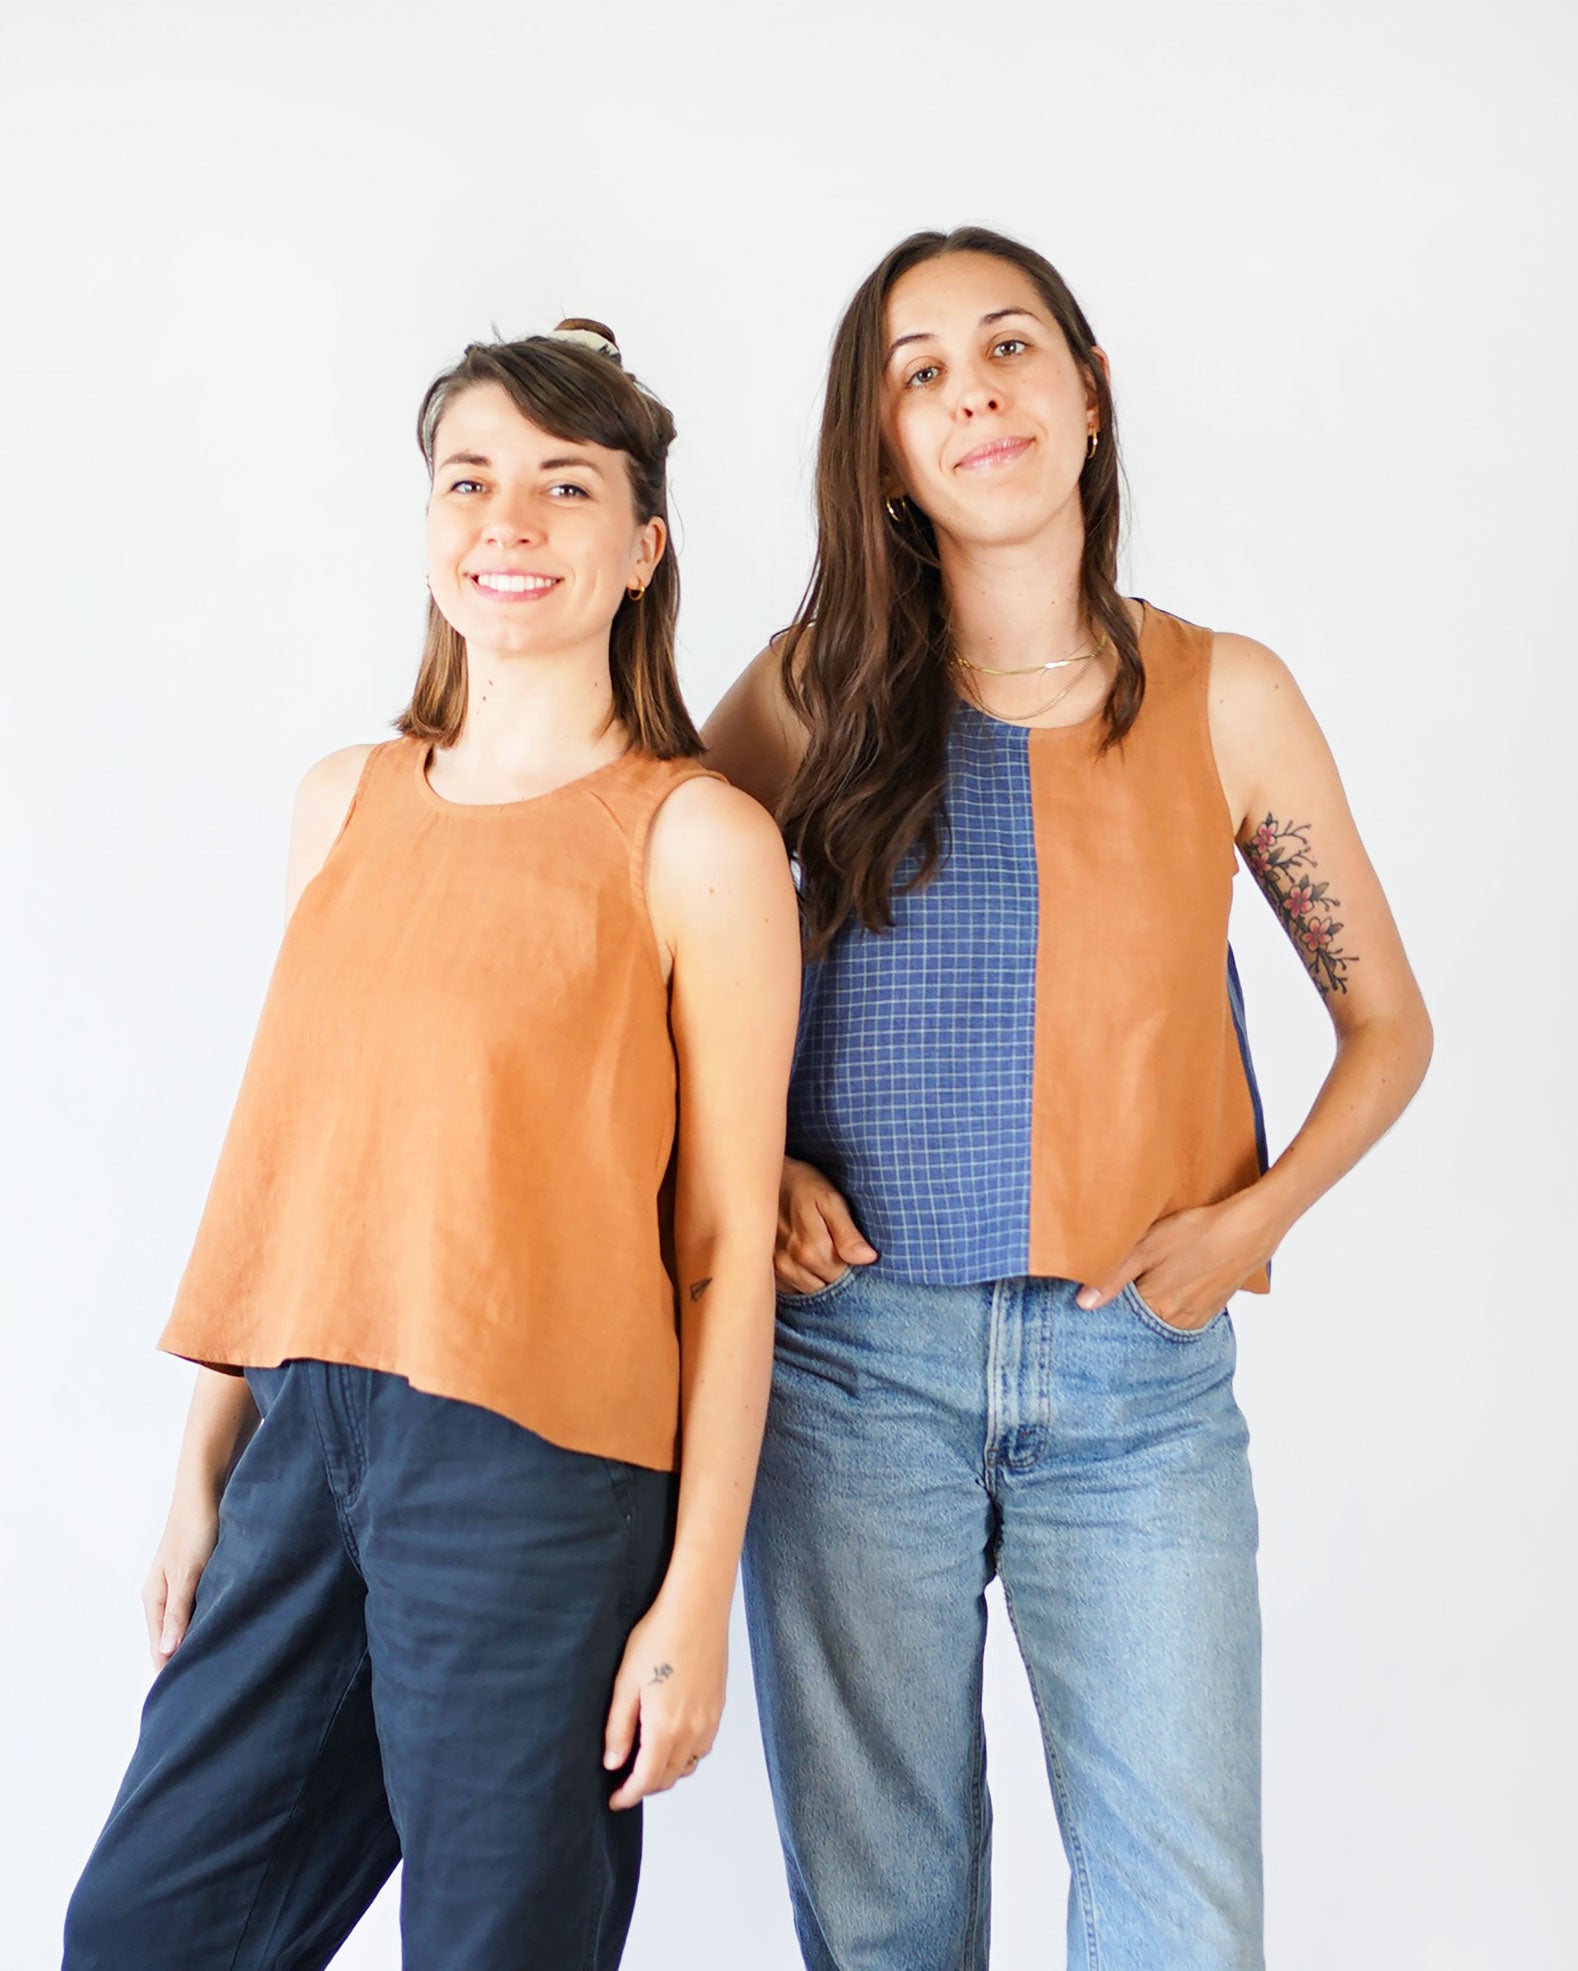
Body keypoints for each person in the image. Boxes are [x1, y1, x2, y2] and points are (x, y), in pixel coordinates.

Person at [703, 230, 1433, 1971]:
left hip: (1138, 1386)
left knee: (1182, 1919)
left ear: (1087, 393)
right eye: (921, 375)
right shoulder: (806, 694)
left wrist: (1250, 1224)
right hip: (853, 1370)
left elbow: (1387, 1027)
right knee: (882, 1919)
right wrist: (755, 1169)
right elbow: (640, 957)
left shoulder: (1226, 693)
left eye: (1009, 348)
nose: (975, 395)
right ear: (885, 449)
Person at [64, 321, 800, 1970]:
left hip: (533, 1472)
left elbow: (725, 1252)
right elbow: (290, 1162)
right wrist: (202, 1466)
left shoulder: (696, 840)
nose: (507, 522)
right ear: (428, 528)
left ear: (642, 547)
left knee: (493, 1944)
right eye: (468, 481)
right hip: (301, 1431)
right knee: (142, 1929)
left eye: (564, 486)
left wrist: (693, 1598)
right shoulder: (342, 800)